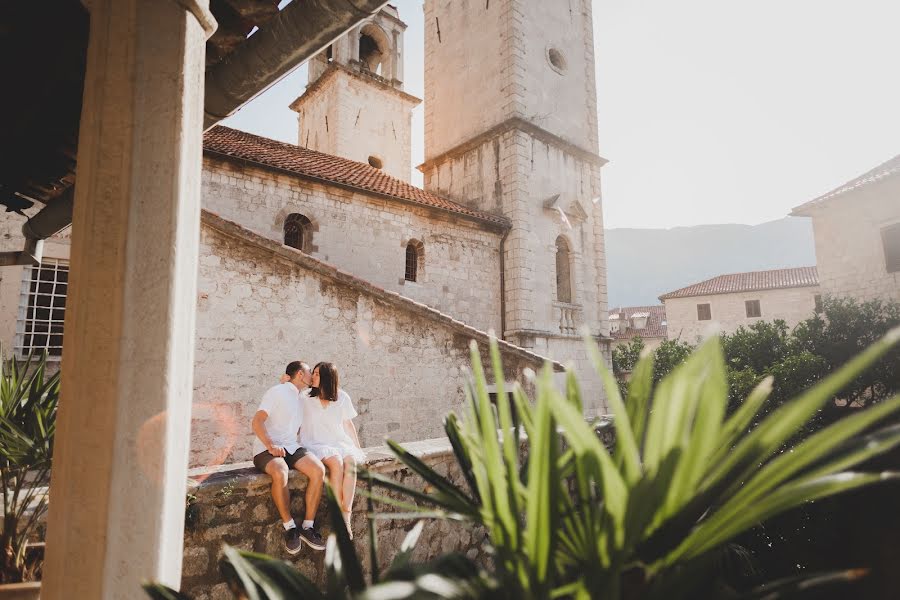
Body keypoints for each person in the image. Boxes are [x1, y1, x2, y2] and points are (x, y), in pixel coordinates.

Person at [251, 361, 326, 554]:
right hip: (266, 449)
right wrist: (270, 445)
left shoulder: (301, 397)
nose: (312, 376)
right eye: (310, 372)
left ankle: (307, 526)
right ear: (301, 374)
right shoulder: (276, 392)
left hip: (292, 447)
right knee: (280, 471)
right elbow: (257, 421)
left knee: (318, 470)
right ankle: (290, 527)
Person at [302, 362, 365, 539]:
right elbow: (289, 409)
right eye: (313, 373)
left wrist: (358, 447)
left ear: (327, 378)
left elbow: (348, 423)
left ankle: (346, 515)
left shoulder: (342, 397)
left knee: (351, 460)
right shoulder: (305, 397)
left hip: (338, 441)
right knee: (336, 462)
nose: (312, 377)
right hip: (315, 442)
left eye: (316, 374)